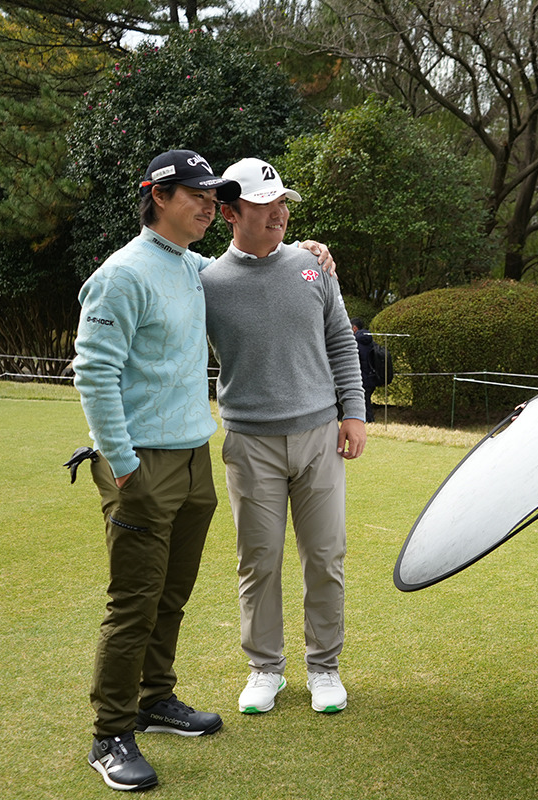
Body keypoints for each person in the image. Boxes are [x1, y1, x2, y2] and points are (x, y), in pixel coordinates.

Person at [74, 150, 336, 792]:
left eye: (213, 196)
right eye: (194, 194)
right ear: (158, 195)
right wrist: (123, 461)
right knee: (133, 601)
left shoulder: (192, 268)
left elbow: (247, 265)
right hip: (141, 462)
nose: (207, 205)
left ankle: (156, 698)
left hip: (194, 457)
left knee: (172, 593)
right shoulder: (122, 274)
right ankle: (111, 732)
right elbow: (93, 371)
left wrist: (300, 243)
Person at [202, 157, 366, 718]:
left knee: (325, 556)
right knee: (260, 560)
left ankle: (324, 668)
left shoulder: (313, 266)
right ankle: (264, 668)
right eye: (264, 204)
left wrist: (354, 413)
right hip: (250, 443)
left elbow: (342, 342)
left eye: (283, 202)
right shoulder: (205, 281)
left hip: (320, 433)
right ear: (229, 212)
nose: (279, 213)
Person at [350, 317, 379, 423]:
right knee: (367, 400)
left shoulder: (354, 343)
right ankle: (369, 419)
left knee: (363, 401)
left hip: (361, 377)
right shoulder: (371, 342)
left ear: (354, 328)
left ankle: (368, 420)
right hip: (372, 376)